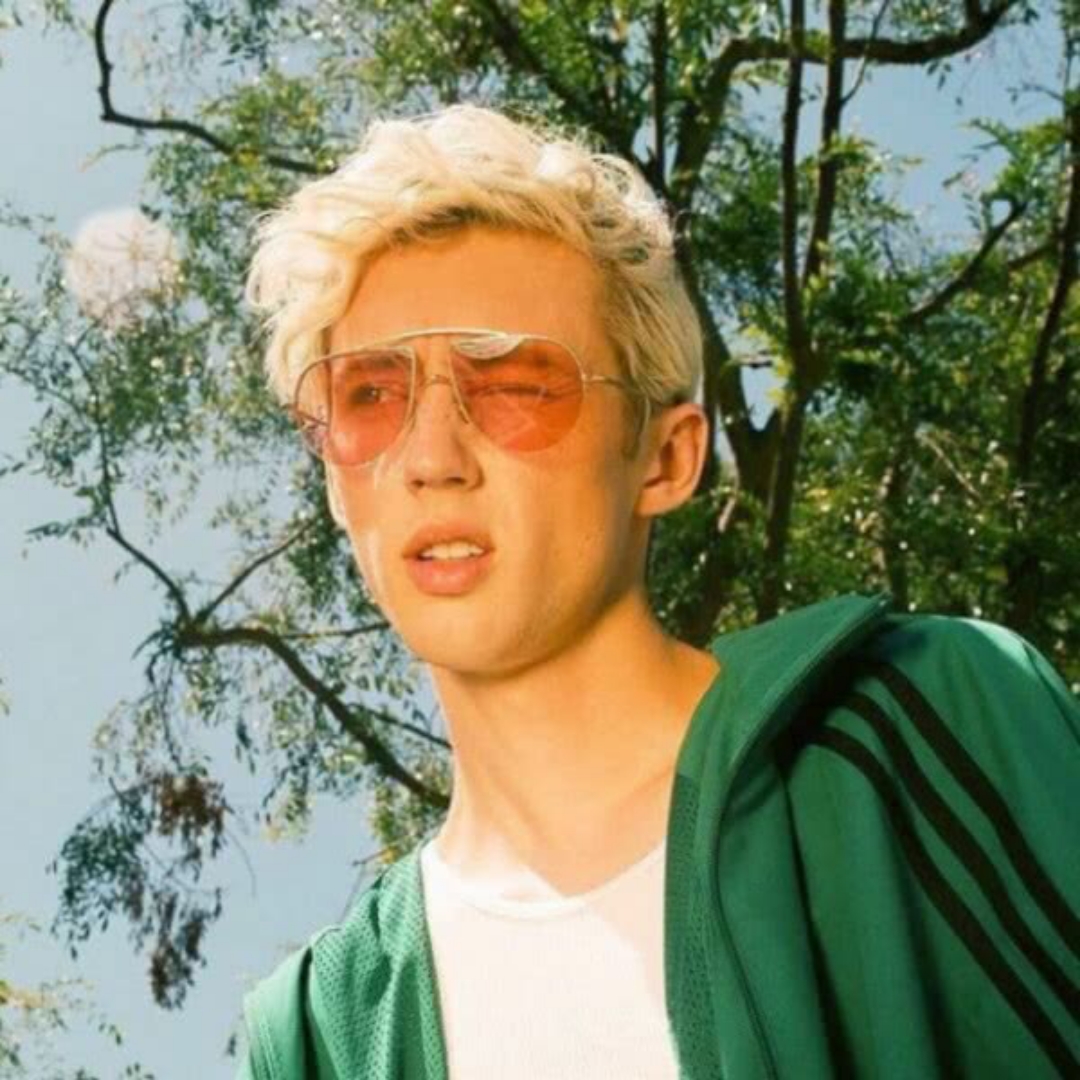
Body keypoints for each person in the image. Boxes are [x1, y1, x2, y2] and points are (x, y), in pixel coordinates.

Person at [235, 105, 1079, 1079]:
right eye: (369, 396)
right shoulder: (316, 1033)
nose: (431, 456)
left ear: (667, 458)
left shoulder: (927, 722)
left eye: (515, 384)